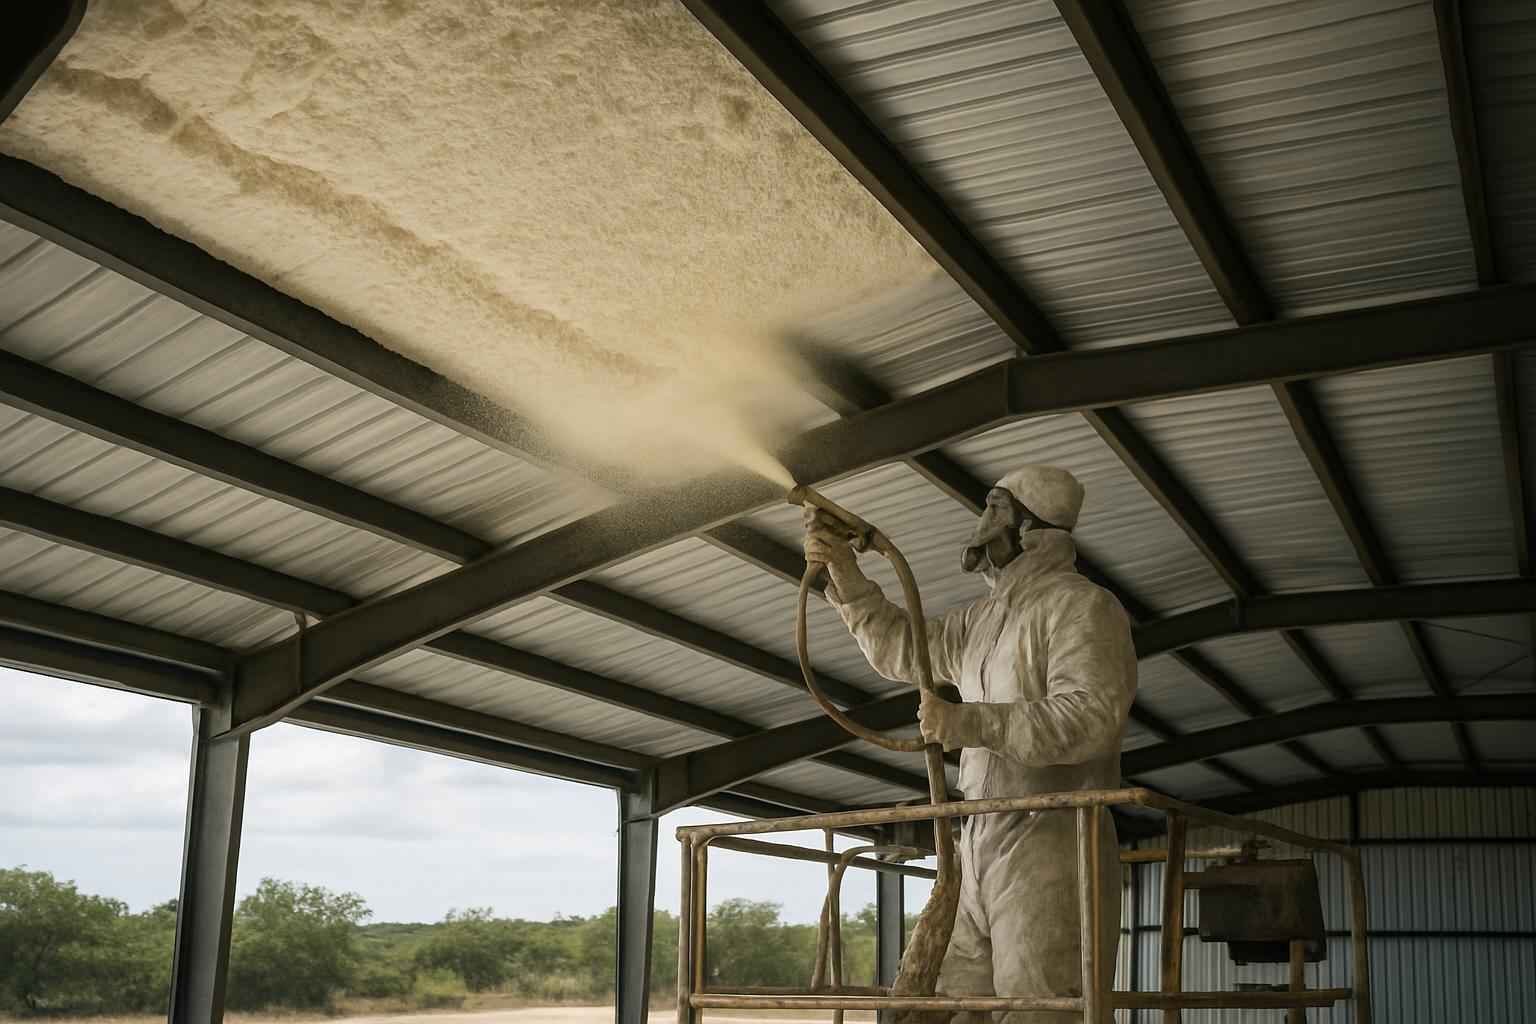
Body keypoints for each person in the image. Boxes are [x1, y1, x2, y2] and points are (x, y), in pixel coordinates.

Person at [803, 465, 1136, 1022]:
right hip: (977, 842)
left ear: (1031, 529)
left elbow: (1093, 717)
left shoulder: (1083, 607)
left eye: (995, 508)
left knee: (1038, 1008)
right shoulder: (980, 622)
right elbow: (902, 649)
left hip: (1052, 843)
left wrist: (969, 724)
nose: (981, 521)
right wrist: (844, 569)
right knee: (950, 1006)